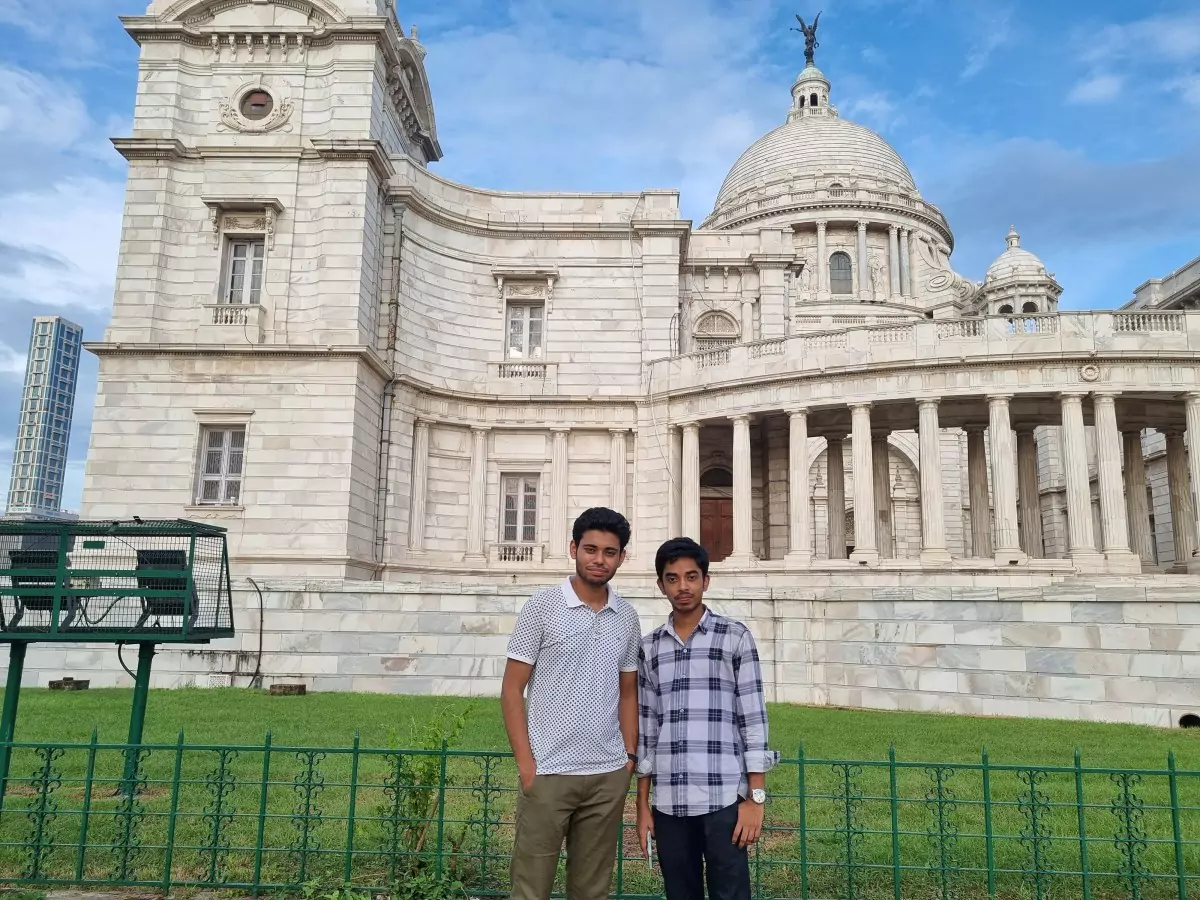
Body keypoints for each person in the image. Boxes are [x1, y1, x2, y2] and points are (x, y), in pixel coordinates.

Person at [502, 507, 642, 900]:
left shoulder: (627, 617)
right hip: (548, 772)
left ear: (621, 558)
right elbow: (512, 689)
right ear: (573, 549)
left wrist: (628, 758)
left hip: (607, 775)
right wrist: (527, 766)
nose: (599, 560)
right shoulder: (542, 607)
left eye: (610, 552)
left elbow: (628, 691)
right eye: (591, 549)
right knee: (531, 887)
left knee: (592, 889)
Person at [636, 537, 779, 900]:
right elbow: (647, 729)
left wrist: (755, 799)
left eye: (691, 577)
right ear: (660, 585)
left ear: (706, 581)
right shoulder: (650, 647)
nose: (682, 587)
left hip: (723, 799)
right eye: (672, 578)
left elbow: (753, 718)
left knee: (729, 894)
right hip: (668, 802)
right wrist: (642, 807)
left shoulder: (734, 638)